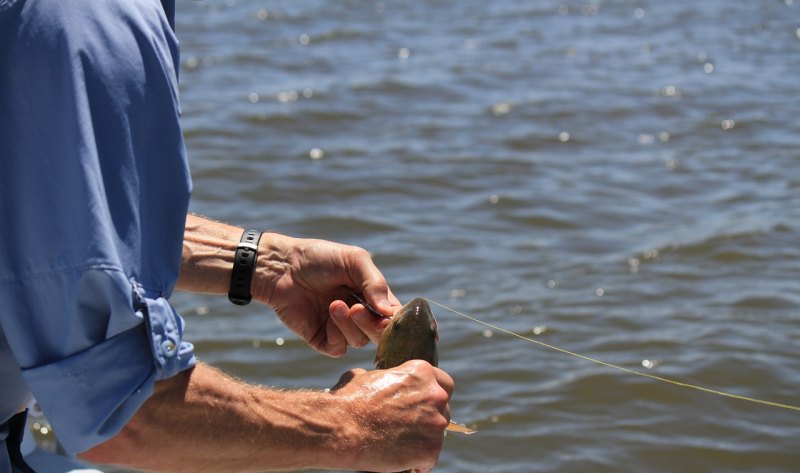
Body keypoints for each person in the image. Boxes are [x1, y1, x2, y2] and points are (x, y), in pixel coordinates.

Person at [0, 0, 454, 472]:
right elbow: (119, 412)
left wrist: (268, 265)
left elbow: (48, 224)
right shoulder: (88, 19)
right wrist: (357, 424)